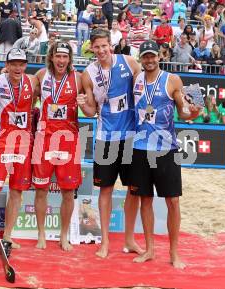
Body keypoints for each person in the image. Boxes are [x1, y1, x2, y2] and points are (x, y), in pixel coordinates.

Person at [131, 40, 200, 269]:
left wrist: (194, 113)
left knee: (172, 201)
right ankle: (150, 249)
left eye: (152, 56)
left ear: (159, 56)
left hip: (166, 148)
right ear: (141, 58)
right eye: (145, 57)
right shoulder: (136, 79)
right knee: (145, 200)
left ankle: (174, 253)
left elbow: (183, 112)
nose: (149, 60)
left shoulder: (172, 80)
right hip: (141, 148)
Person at [77, 29, 143, 258]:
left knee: (133, 190)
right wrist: (82, 105)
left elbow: (143, 94)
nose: (101, 50)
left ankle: (129, 239)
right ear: (92, 49)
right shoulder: (88, 73)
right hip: (106, 138)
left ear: (111, 46)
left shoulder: (129, 62)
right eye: (97, 47)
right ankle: (104, 241)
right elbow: (91, 111)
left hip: (131, 137)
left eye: (104, 46)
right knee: (105, 189)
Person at [0, 48, 39, 256]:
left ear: (25, 65)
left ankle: (7, 236)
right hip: (1, 144)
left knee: (17, 192)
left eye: (21, 64)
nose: (17, 67)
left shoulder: (32, 82)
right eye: (13, 63)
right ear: (7, 65)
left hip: (23, 145)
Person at [33, 41, 83, 251]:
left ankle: (63, 235)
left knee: (68, 191)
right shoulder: (40, 76)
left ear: (69, 59)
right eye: (58, 56)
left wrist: (85, 103)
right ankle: (41, 234)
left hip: (68, 140)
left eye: (65, 57)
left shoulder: (79, 79)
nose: (61, 60)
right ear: (51, 57)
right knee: (41, 190)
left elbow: (93, 105)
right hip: (44, 139)